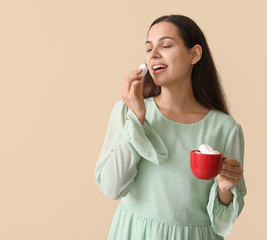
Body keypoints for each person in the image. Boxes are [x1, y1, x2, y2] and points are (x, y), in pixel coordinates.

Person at [95, 14, 246, 240]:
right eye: (148, 49)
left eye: (165, 45)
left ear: (194, 54)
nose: (154, 54)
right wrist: (137, 117)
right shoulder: (127, 112)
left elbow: (222, 222)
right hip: (136, 234)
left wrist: (225, 188)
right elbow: (113, 188)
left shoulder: (225, 128)